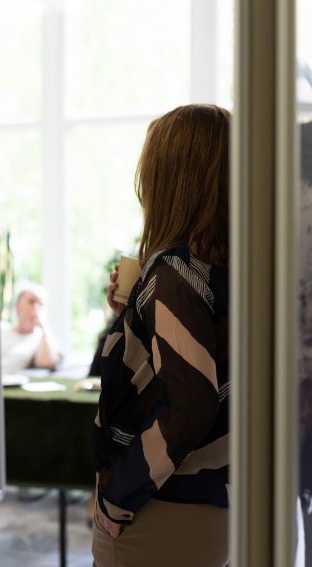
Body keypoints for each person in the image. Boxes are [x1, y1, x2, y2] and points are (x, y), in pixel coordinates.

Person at [92, 104, 230, 566]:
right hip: (219, 501)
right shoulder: (235, 269)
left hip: (167, 511)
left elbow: (192, 404)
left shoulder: (173, 272)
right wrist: (129, 312)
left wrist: (120, 493)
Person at [0, 283, 61, 373]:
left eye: (40, 304)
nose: (36, 308)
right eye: (31, 302)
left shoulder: (42, 340)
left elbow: (47, 364)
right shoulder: (1, 329)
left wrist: (44, 328)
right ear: (17, 306)